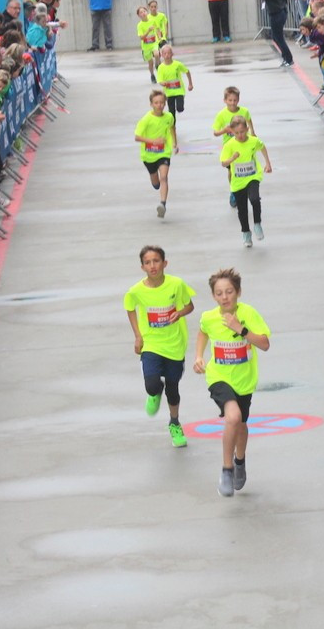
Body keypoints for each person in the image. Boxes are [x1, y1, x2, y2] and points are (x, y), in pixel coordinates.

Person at [193, 268, 271, 497]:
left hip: (244, 381)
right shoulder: (209, 317)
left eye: (229, 292)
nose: (224, 297)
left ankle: (239, 461)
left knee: (241, 425)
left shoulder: (249, 313)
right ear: (213, 296)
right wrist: (199, 356)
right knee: (233, 417)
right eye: (219, 293)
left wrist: (241, 329)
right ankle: (226, 470)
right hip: (218, 377)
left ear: (238, 292)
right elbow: (203, 332)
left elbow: (265, 344)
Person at [125, 246, 195, 448]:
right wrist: (138, 336)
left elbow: (190, 306)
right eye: (147, 262)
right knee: (153, 384)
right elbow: (130, 307)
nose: (152, 266)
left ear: (165, 263)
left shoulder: (176, 284)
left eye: (156, 261)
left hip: (175, 344)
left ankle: (174, 423)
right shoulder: (136, 290)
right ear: (142, 267)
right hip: (152, 344)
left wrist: (179, 313)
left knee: (173, 390)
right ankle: (155, 392)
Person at [220, 115, 271, 247]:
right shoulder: (229, 145)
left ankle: (257, 224)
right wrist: (232, 158)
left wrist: (268, 163)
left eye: (242, 132)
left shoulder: (253, 141)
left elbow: (262, 147)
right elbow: (223, 162)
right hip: (238, 181)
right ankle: (246, 233)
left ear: (247, 129)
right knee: (242, 209)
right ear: (232, 131)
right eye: (236, 133)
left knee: (254, 199)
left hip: (253, 176)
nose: (240, 135)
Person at [133, 89, 175, 219]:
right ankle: (155, 183)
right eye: (156, 103)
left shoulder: (169, 117)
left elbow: (172, 128)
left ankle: (162, 204)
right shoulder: (146, 119)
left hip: (164, 152)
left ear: (165, 103)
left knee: (164, 177)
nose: (159, 105)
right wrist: (153, 141)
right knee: (156, 182)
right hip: (149, 155)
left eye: (162, 102)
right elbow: (137, 137)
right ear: (151, 104)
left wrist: (174, 143)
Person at [212, 86, 255, 209]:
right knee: (232, 170)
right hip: (230, 148)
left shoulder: (244, 111)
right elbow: (215, 132)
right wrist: (224, 130)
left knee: (246, 168)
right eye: (230, 100)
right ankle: (234, 191)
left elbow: (249, 119)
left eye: (235, 100)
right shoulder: (221, 115)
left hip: (244, 144)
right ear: (225, 100)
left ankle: (247, 187)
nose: (232, 103)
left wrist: (252, 132)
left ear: (238, 99)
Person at [254, 0, 293, 67]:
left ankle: (288, 58)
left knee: (278, 37)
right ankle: (285, 57)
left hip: (276, 13)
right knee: (276, 37)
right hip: (280, 11)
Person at [155, 45, 192, 137]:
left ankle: (180, 107)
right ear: (162, 55)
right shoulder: (161, 68)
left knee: (179, 108)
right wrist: (163, 83)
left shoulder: (177, 64)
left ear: (172, 54)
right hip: (169, 93)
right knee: (171, 112)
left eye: (169, 53)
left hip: (179, 91)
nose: (167, 55)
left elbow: (187, 71)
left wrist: (190, 84)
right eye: (165, 53)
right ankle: (173, 127)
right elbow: (160, 80)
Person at [135, 6, 159, 82]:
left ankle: (157, 65)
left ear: (147, 12)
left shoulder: (152, 20)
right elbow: (141, 37)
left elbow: (157, 29)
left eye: (144, 11)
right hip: (146, 46)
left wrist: (160, 37)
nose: (143, 13)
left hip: (154, 43)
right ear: (139, 16)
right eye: (141, 12)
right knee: (150, 62)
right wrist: (148, 31)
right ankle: (152, 75)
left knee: (157, 54)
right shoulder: (140, 25)